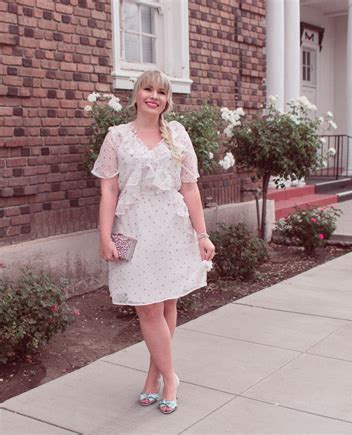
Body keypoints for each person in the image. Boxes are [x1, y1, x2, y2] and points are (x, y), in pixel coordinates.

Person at [91, 70, 215, 415]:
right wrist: (104, 236)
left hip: (173, 227)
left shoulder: (177, 134)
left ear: (167, 99)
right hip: (132, 227)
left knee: (166, 304)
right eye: (148, 88)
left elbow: (189, 187)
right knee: (147, 307)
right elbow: (108, 189)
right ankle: (171, 376)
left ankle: (154, 376)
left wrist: (202, 234)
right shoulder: (116, 137)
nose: (154, 96)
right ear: (136, 93)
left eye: (161, 91)